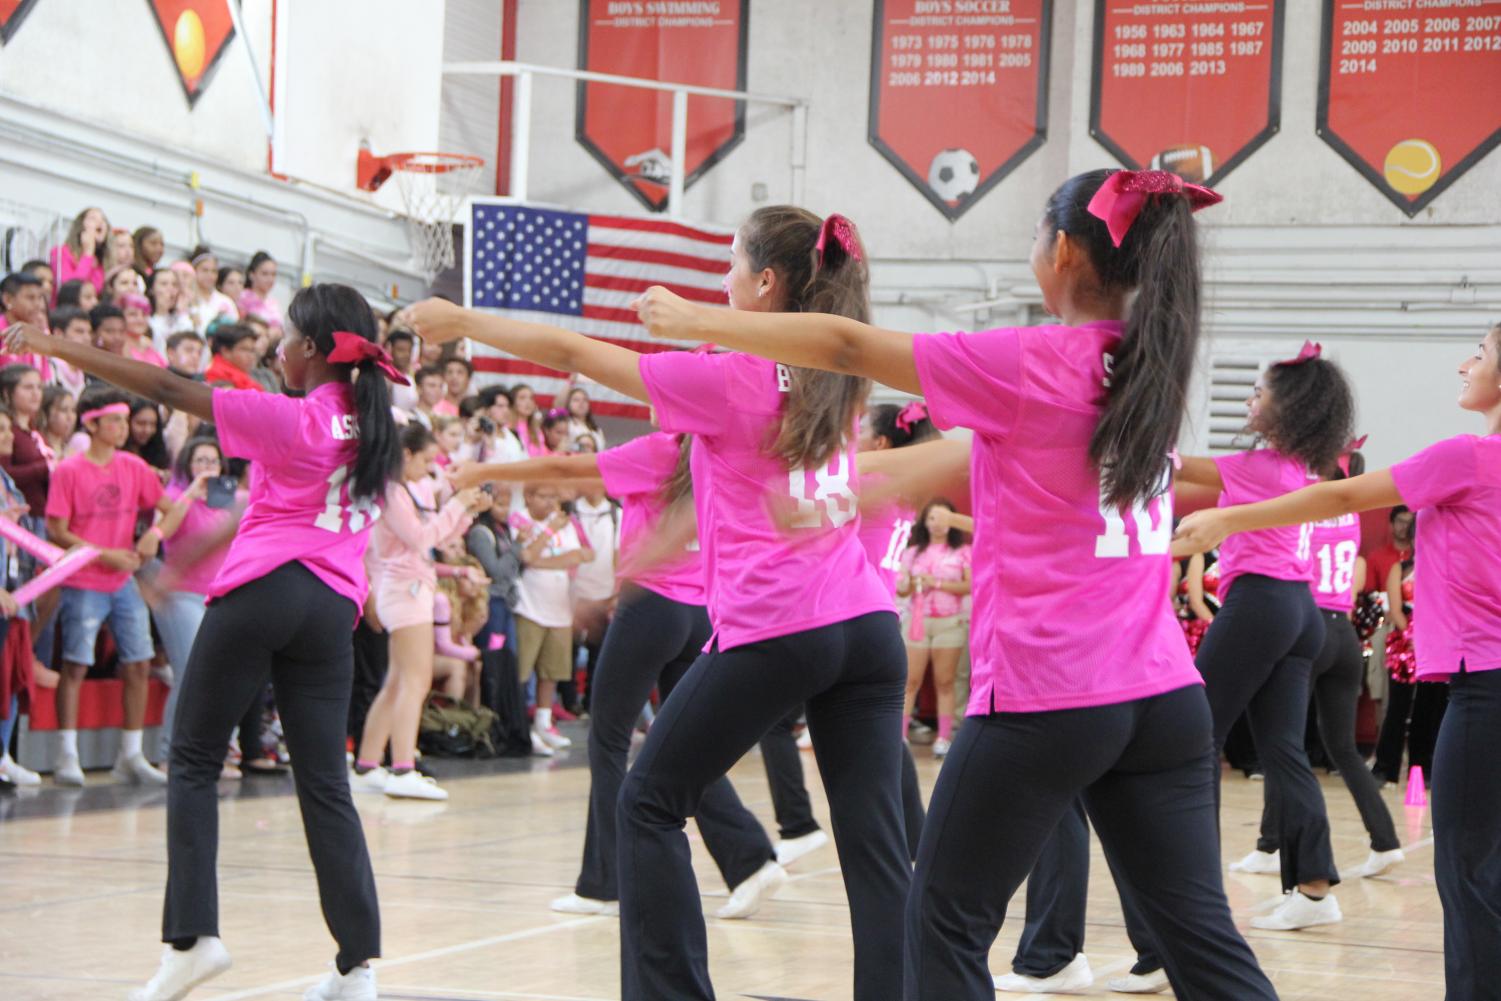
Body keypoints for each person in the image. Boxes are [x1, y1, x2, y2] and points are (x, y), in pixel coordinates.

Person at [632, 173, 1282, 1000]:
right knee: (1203, 944)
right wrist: (878, 478)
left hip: (1048, 697)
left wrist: (698, 321)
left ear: (1063, 251)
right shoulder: (1145, 363)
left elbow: (845, 348)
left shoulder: (1032, 358)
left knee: (940, 924)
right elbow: (987, 450)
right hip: (1163, 698)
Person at [409, 205, 912, 1001]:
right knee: (875, 843)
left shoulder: (731, 373)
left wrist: (464, 318)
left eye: (731, 264)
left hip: (782, 623)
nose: (722, 279)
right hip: (869, 624)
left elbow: (576, 352)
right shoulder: (838, 369)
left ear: (766, 283)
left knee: (645, 799)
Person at [5, 281, 403, 1001]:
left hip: (263, 593)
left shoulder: (293, 418)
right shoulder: (374, 426)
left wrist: (55, 344)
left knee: (189, 754)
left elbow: (164, 384)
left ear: (312, 351)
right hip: (329, 611)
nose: (277, 347)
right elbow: (260, 507)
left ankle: (191, 941)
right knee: (324, 784)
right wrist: (181, 568)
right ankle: (357, 966)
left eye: (285, 337)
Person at [1176, 321, 1501, 1001]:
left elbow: (1344, 495)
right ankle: (1301, 875)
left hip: (1480, 687)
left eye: (1479, 352)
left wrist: (1227, 520)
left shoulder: (1468, 456)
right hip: (1387, 647)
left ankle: (1184, 910)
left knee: (1469, 876)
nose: (1462, 364)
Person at [452, 433, 789, 920]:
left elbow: (568, 469)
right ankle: (750, 859)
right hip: (699, 612)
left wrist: (483, 472)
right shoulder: (725, 451)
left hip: (652, 605)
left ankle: (606, 883)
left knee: (608, 741)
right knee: (686, 747)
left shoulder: (658, 449)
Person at [1174, 341, 1355, 930]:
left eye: (1259, 392)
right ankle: (1314, 888)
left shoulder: (1256, 468)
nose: (1250, 399)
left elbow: (1171, 463)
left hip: (1261, 603)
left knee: (1195, 733)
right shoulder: (1301, 469)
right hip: (1298, 611)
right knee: (1282, 749)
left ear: (1290, 409)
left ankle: (1194, 896)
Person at [1231, 449, 1405, 882]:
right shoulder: (1350, 516)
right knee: (1343, 749)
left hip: (1309, 627)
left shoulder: (1308, 506)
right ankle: (1385, 840)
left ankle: (1271, 845)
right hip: (1344, 635)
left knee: (1283, 743)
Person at [44, 386, 177, 787]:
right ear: (93, 423)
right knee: (76, 663)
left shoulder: (133, 466)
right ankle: (67, 754)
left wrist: (153, 533)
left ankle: (131, 754)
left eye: (124, 420)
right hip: (85, 578)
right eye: (115, 420)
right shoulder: (69, 470)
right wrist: (104, 554)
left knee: (138, 662)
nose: (122, 427)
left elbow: (168, 509)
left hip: (123, 578)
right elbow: (56, 529)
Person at [353, 423, 489, 801]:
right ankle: (402, 767)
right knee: (416, 680)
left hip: (409, 587)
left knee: (398, 680)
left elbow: (439, 538)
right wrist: (458, 505)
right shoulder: (390, 492)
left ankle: (366, 765)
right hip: (405, 590)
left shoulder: (403, 490)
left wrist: (466, 512)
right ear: (406, 455)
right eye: (427, 460)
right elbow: (422, 538)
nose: (431, 468)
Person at [897, 498, 972, 758]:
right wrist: (911, 583)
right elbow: (901, 588)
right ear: (924, 522)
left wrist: (937, 583)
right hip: (917, 620)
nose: (937, 524)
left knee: (945, 681)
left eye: (943, 518)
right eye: (932, 518)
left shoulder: (962, 552)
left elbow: (970, 586)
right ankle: (900, 736)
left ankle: (944, 737)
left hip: (949, 621)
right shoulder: (911, 552)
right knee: (910, 681)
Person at [48, 207, 110, 297]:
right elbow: (71, 290)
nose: (100, 222)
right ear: (80, 226)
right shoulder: (60, 252)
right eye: (93, 218)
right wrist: (88, 253)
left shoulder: (103, 261)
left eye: (103, 219)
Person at [203, 325, 264, 392]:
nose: (250, 356)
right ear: (225, 351)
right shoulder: (216, 374)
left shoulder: (243, 375)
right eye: (244, 349)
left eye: (252, 350)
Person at [237, 251, 284, 334]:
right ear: (251, 275)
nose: (270, 279)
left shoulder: (273, 303)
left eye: (273, 274)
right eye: (265, 274)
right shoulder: (242, 297)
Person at [565, 385, 605, 450]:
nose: (581, 403)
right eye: (576, 400)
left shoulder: (597, 430)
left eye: (585, 400)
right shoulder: (566, 425)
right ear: (568, 404)